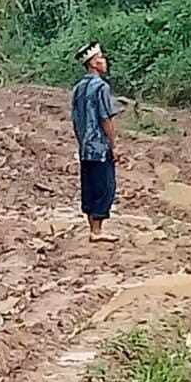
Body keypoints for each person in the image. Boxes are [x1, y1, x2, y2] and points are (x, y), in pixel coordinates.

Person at [71, 42, 121, 239]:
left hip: (85, 147)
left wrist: (82, 141)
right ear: (93, 64)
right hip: (100, 146)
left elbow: (75, 120)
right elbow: (106, 118)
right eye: (101, 58)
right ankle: (97, 231)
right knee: (105, 186)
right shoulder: (101, 87)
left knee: (89, 186)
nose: (105, 61)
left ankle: (93, 228)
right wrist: (113, 145)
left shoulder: (78, 88)